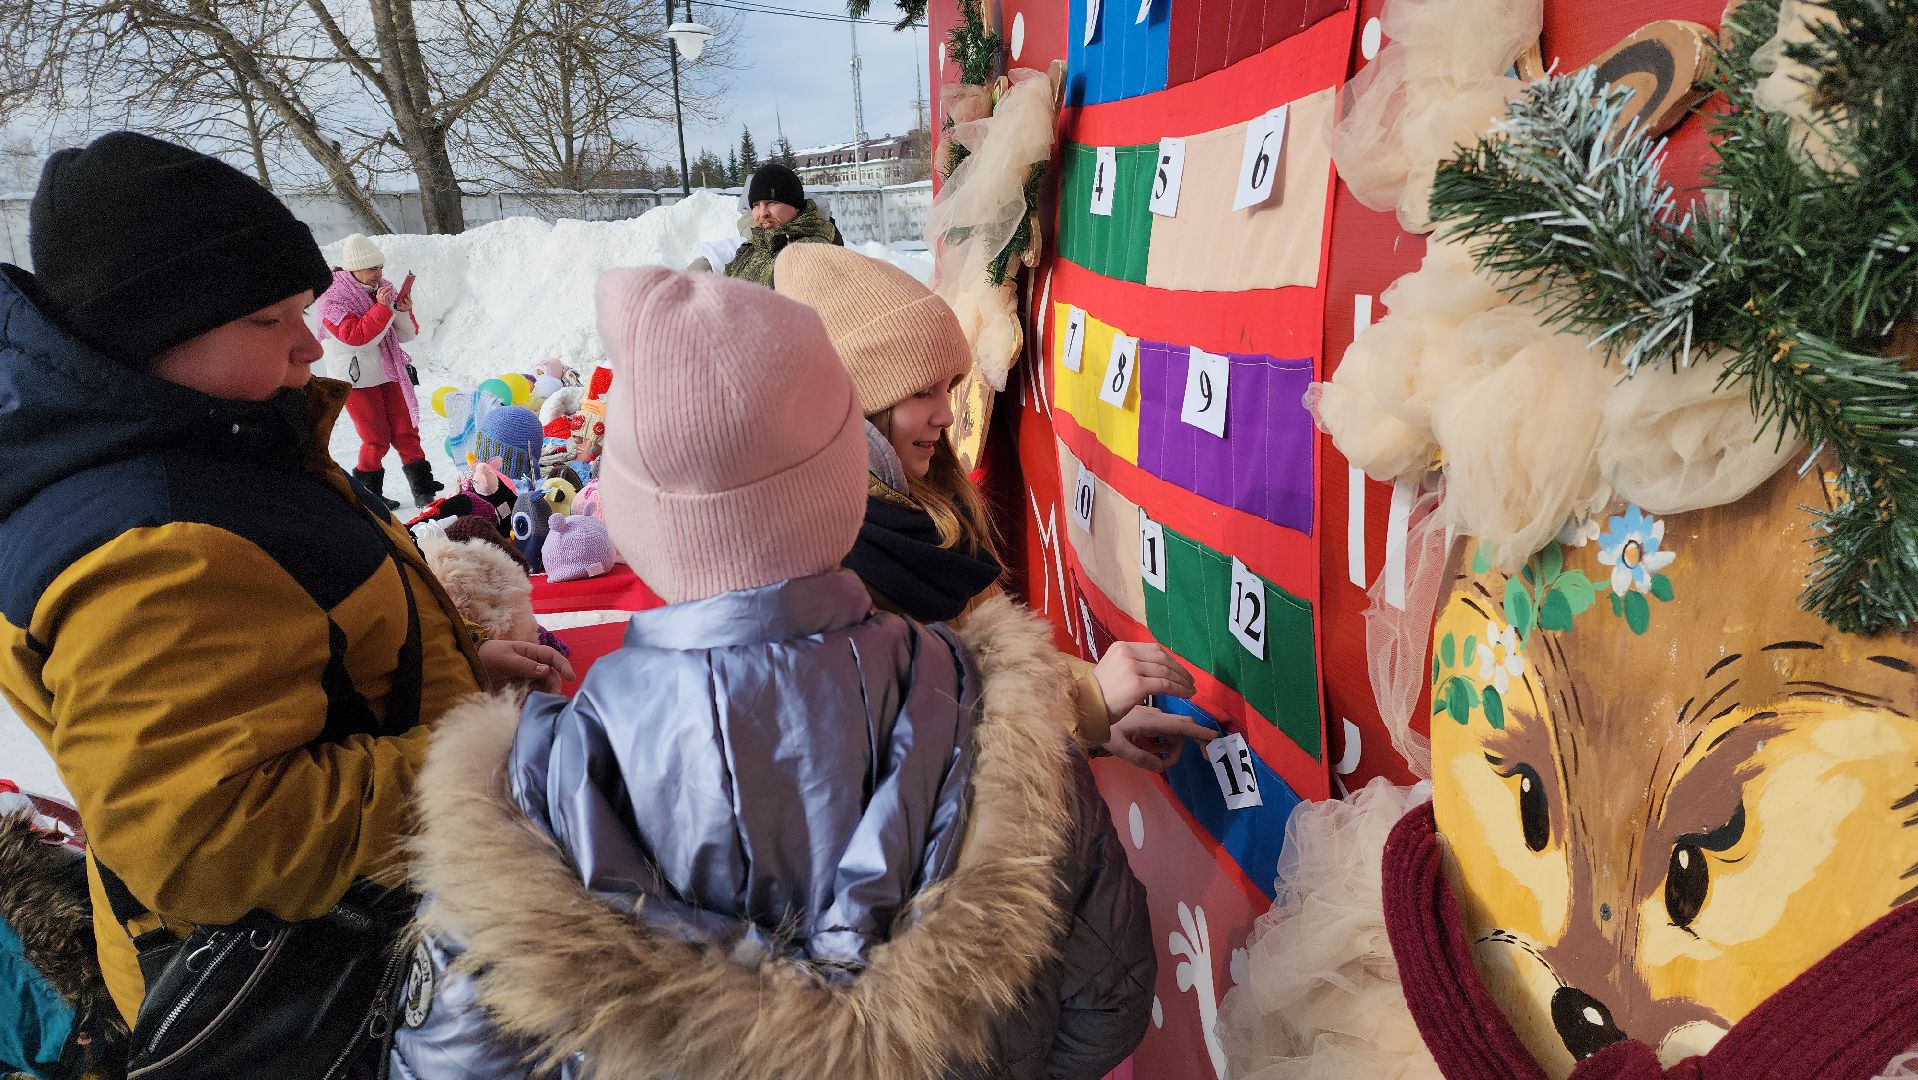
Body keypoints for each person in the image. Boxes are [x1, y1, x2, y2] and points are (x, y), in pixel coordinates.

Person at [393, 267, 1154, 1079]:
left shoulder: (529, 796)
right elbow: (1107, 1001)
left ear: (639, 518)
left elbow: (454, 1060)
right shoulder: (1001, 721)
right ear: (842, 484)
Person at [0, 132, 571, 1062]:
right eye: (273, 321)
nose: (314, 345)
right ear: (159, 332)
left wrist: (456, 669)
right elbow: (213, 839)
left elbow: (288, 652)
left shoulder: (215, 443)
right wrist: (493, 754)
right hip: (310, 996)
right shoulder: (148, 547)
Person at [775, 244, 1215, 771]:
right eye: (920, 393)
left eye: (949, 387)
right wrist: (1087, 701)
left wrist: (1096, 722)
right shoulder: (836, 572)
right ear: (858, 406)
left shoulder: (920, 514)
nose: (945, 413)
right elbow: (919, 752)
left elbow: (974, 667)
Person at [317, 233, 443, 509]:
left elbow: (406, 336)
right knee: (376, 439)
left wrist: (401, 311)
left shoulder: (383, 288)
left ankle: (423, 489)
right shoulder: (331, 300)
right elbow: (357, 337)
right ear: (353, 268)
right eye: (372, 268)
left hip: (389, 372)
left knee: (407, 430)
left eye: (380, 267)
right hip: (358, 380)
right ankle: (367, 495)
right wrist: (382, 309)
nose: (379, 274)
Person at [722, 162, 842, 286]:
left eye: (771, 202)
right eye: (756, 205)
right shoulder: (753, 246)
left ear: (796, 206)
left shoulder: (809, 252)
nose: (763, 213)